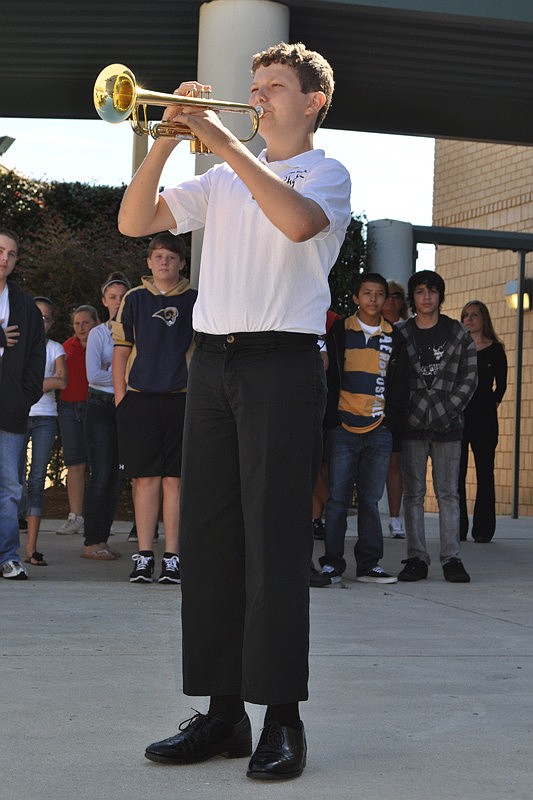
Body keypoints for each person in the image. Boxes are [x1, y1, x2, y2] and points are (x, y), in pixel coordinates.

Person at [117, 42, 351, 779]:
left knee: (273, 542)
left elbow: (295, 224)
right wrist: (163, 138)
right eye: (252, 87)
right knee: (212, 542)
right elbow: (134, 221)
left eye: (273, 88)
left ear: (312, 101)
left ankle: (281, 717)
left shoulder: (324, 173)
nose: (256, 98)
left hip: (281, 363)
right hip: (212, 363)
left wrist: (216, 138)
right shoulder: (218, 177)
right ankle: (223, 716)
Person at [112, 233, 196, 584]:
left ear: (181, 263)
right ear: (148, 262)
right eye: (158, 256)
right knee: (145, 478)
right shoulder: (133, 299)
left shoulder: (196, 300)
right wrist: (122, 400)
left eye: (171, 257)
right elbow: (121, 351)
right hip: (140, 398)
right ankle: (144, 555)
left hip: (182, 399)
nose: (164, 262)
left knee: (175, 480)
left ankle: (173, 557)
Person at [315, 273, 405, 586]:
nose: (373, 299)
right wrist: (333, 419)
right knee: (338, 498)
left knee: (369, 499)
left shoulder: (395, 336)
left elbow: (402, 384)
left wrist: (390, 419)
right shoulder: (340, 331)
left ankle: (369, 565)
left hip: (379, 428)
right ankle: (332, 563)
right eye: (366, 293)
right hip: (343, 426)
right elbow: (327, 373)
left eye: (379, 294)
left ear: (386, 299)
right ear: (356, 298)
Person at [396, 270, 477, 583]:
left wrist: (448, 409)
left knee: (448, 493)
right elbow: (395, 379)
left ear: (441, 296)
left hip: (449, 425)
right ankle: (416, 557)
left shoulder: (457, 333)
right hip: (411, 424)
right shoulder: (401, 333)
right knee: (413, 493)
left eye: (432, 291)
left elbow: (470, 377)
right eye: (419, 291)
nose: (426, 296)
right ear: (413, 298)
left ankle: (451, 558)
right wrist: (407, 412)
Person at [0, 228, 45, 580]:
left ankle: (8, 557)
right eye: (0, 250)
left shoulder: (25, 304)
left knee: (10, 487)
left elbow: (35, 355)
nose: (5, 259)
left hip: (9, 408)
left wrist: (24, 395)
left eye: (11, 254)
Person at [81, 272, 131, 560]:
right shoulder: (99, 334)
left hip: (124, 408)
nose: (118, 301)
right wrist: (124, 376)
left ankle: (102, 539)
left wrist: (116, 376)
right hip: (100, 407)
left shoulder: (135, 333)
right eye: (112, 297)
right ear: (104, 301)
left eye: (123, 296)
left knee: (117, 474)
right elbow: (92, 375)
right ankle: (91, 540)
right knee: (101, 473)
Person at [19, 296, 67, 566]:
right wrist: (44, 382)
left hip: (45, 418)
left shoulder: (55, 348)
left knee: (37, 480)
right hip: (16, 418)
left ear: (51, 323)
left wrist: (31, 383)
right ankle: (9, 549)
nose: (40, 322)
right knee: (14, 481)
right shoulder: (14, 346)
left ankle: (31, 549)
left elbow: (62, 380)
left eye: (45, 318)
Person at [459, 300, 507, 542]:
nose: (469, 319)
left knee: (485, 473)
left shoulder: (496, 349)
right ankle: (457, 529)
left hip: (485, 419)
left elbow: (503, 385)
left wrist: (491, 403)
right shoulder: (458, 348)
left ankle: (483, 530)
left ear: (483, 318)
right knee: (456, 473)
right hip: (459, 417)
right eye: (466, 315)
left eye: (474, 315)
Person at [56, 305, 99, 535]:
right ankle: (76, 516)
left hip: (95, 407)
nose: (81, 327)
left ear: (95, 322)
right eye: (77, 323)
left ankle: (96, 518)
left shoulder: (103, 343)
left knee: (99, 464)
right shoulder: (65, 347)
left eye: (86, 323)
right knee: (74, 464)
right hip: (68, 408)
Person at [383, 280, 409, 539]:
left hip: (398, 406)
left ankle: (394, 518)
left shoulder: (408, 330)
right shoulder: (366, 328)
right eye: (386, 295)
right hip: (367, 403)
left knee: (394, 461)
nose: (391, 300)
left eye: (396, 296)